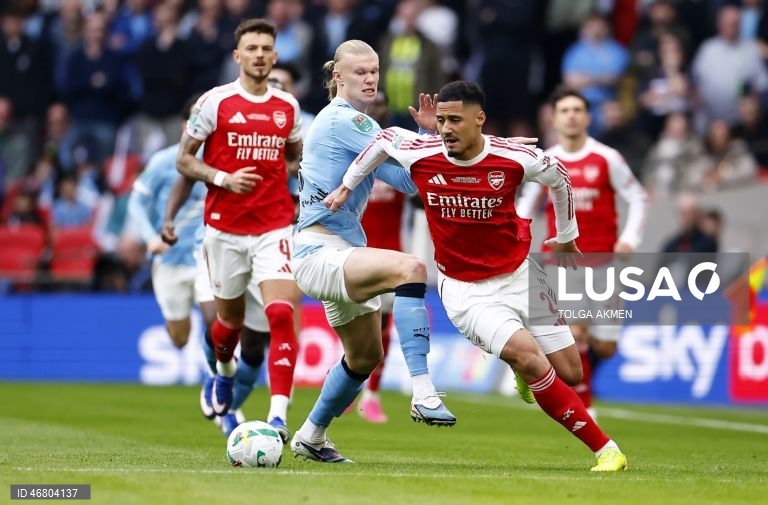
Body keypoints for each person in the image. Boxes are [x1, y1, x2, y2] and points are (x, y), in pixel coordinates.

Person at [325, 80, 628, 471]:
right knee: (532, 359)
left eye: (455, 120)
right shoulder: (422, 150)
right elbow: (381, 141)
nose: (446, 128)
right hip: (467, 292)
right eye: (442, 120)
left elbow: (560, 175)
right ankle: (607, 451)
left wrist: (567, 235)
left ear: (479, 119)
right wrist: (347, 187)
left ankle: (524, 369)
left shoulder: (512, 157)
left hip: (521, 276)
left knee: (570, 371)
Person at [289, 39, 455, 464]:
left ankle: (310, 436)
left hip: (341, 251)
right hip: (319, 252)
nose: (370, 79)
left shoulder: (360, 128)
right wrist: (435, 138)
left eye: (374, 71)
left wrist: (426, 136)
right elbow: (406, 156)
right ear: (337, 77)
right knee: (411, 267)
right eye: (360, 72)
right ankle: (423, 391)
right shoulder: (344, 120)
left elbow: (409, 183)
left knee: (364, 357)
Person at [161, 19, 302, 442]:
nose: (259, 55)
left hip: (274, 226)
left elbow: (294, 156)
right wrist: (223, 179)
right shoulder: (215, 102)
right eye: (251, 48)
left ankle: (278, 418)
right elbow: (184, 161)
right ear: (237, 56)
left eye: (266, 48)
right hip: (224, 228)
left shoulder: (288, 107)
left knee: (281, 314)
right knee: (229, 324)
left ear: (274, 56)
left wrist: (281, 176)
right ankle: (222, 374)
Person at [517, 86, 648, 419]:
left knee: (605, 346)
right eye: (565, 110)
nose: (571, 115)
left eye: (577, 110)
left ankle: (543, 363)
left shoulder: (607, 157)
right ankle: (584, 409)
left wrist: (630, 238)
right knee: (577, 332)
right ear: (554, 117)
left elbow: (638, 197)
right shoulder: (545, 161)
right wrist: (516, 241)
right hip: (564, 264)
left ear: (587, 117)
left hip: (606, 263)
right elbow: (525, 207)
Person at [355, 90, 402, 423]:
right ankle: (349, 388)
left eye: (383, 104)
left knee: (383, 326)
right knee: (354, 326)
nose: (378, 109)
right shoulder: (350, 150)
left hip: (390, 253)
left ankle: (372, 395)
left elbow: (418, 197)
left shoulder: (401, 155)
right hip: (354, 251)